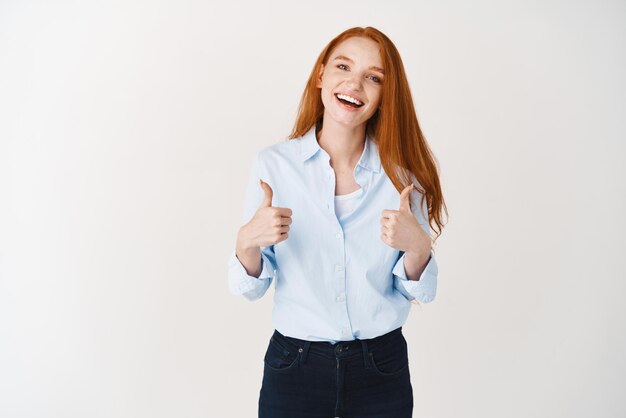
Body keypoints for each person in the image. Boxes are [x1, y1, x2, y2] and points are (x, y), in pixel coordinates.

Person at [228, 26, 447, 418]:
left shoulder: (403, 176)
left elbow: (419, 292)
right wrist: (247, 242)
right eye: (343, 66)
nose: (354, 83)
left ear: (384, 97)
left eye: (373, 77)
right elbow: (248, 288)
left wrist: (419, 247)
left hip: (380, 366)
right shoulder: (273, 166)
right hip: (295, 366)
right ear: (321, 76)